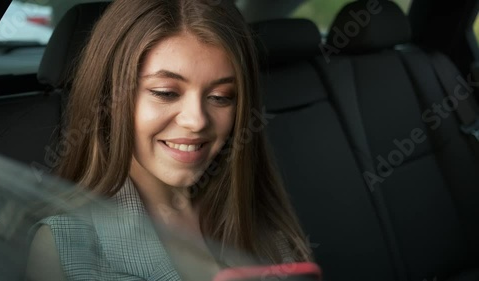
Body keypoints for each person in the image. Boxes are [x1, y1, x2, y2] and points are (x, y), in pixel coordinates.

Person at [26, 0, 313, 280]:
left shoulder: (263, 222)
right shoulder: (62, 249)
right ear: (109, 98)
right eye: (166, 93)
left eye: (221, 97)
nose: (197, 120)